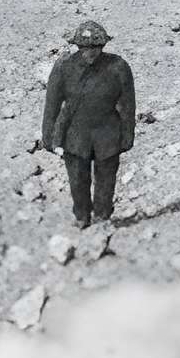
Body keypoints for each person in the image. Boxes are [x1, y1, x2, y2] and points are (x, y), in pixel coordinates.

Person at [37, 18, 136, 227]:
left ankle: (102, 217)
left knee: (106, 180)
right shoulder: (64, 67)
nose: (90, 53)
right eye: (85, 48)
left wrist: (127, 136)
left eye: (96, 47)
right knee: (78, 180)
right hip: (75, 134)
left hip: (107, 133)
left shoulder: (118, 66)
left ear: (103, 46)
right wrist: (48, 137)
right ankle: (82, 217)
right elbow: (52, 104)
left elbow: (127, 104)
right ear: (77, 47)